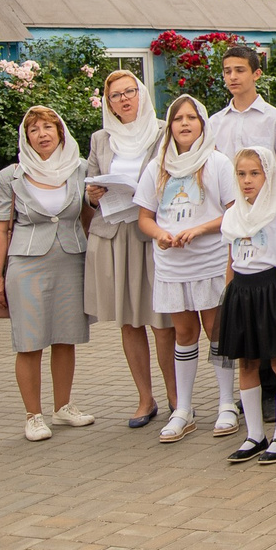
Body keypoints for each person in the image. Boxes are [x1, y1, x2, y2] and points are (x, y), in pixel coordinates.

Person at [136, 95, 237, 443]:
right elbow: (145, 217)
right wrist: (160, 235)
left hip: (209, 260)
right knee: (183, 334)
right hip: (172, 265)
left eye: (191, 118)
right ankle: (183, 409)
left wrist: (200, 229)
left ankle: (227, 403)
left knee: (216, 331)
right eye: (178, 118)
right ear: (170, 126)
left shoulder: (218, 162)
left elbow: (234, 211)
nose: (184, 124)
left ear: (202, 124)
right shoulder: (157, 166)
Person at [207, 45, 276, 434]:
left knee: (272, 340)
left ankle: (274, 402)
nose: (232, 77)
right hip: (232, 222)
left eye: (240, 70)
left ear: (256, 74)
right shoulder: (215, 123)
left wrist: (264, 188)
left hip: (268, 217)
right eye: (227, 70)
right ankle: (249, 412)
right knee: (244, 333)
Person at [0, 106, 93, 442]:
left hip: (71, 259)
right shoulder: (10, 176)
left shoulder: (81, 169)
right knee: (29, 340)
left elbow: (89, 216)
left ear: (60, 132)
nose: (42, 134)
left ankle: (62, 407)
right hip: (27, 262)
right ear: (26, 137)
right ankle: (33, 416)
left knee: (65, 336)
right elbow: (1, 230)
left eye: (48, 127)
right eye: (34, 129)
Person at [85, 69, 164, 427]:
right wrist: (92, 194)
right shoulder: (100, 139)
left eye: (129, 91)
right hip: (116, 233)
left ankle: (177, 399)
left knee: (162, 320)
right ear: (109, 104)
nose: (124, 99)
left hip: (152, 233)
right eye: (115, 95)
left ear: (141, 93)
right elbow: (89, 189)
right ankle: (145, 399)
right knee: (130, 321)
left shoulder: (162, 131)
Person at [216, 148, 276, 463]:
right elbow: (231, 260)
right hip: (242, 292)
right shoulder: (232, 214)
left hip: (271, 290)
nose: (247, 180)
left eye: (254, 173)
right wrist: (228, 298)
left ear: (268, 175)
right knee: (246, 363)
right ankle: (255, 434)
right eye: (241, 174)